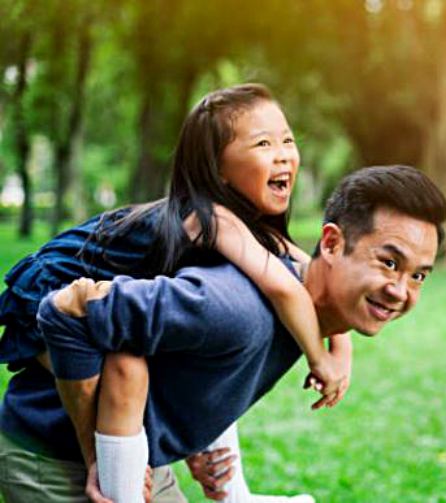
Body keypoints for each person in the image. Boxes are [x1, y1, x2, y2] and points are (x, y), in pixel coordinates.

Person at [0, 83, 352, 502]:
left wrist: (340, 353)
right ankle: (103, 469)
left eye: (288, 140)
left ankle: (230, 494)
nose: (283, 154)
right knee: (119, 367)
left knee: (167, 360)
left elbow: (311, 277)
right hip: (47, 289)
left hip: (84, 296)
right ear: (218, 169)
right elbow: (283, 288)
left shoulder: (253, 230)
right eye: (263, 143)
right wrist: (320, 360)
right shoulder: (209, 218)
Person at [38, 165, 446, 502]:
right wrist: (94, 455)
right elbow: (65, 312)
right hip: (53, 459)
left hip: (139, 459)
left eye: (418, 276)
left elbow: (190, 360)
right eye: (389, 263)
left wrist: (198, 437)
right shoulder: (234, 308)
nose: (401, 292)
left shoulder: (298, 310)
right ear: (332, 243)